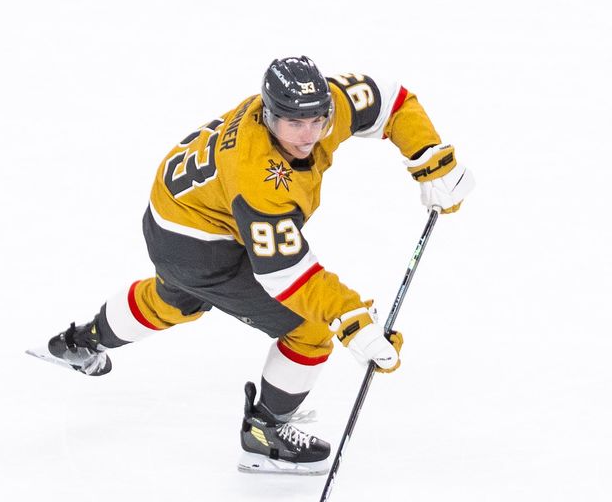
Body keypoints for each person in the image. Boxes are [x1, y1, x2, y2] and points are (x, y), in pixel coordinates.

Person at [38, 56, 475, 474]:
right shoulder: (257, 176)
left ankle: (82, 341)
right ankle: (264, 434)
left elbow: (390, 100)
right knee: (309, 328)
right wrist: (350, 317)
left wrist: (429, 157)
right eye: (293, 123)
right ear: (268, 114)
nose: (308, 135)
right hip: (197, 243)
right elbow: (286, 274)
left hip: (177, 210)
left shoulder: (320, 107)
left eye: (316, 120)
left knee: (174, 299)